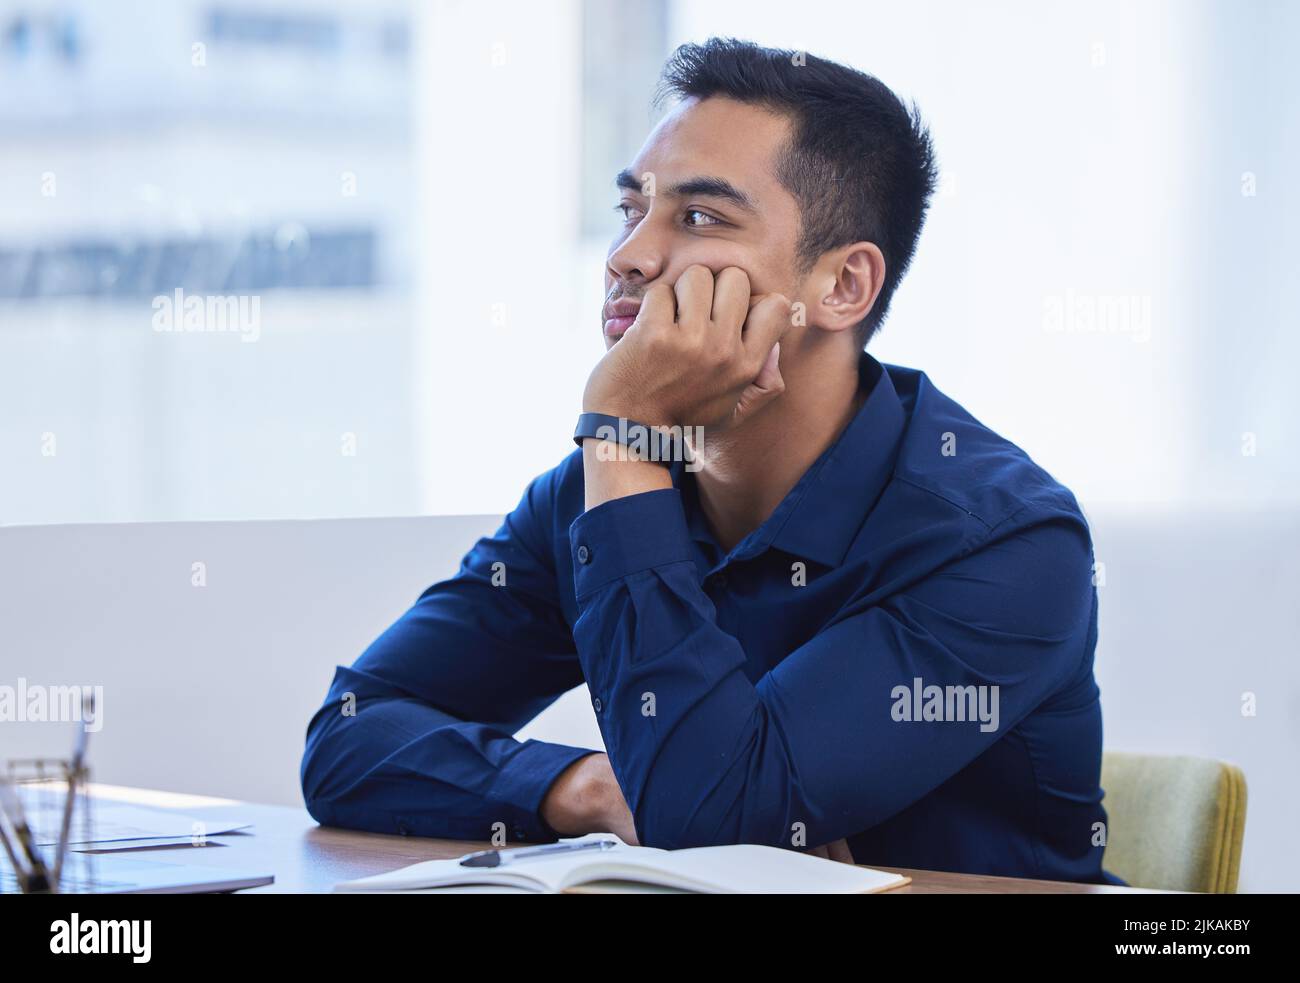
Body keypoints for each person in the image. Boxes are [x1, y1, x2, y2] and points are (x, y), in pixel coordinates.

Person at [301, 37, 1123, 884]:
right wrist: (584, 786)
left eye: (698, 218)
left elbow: (711, 821)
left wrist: (624, 429)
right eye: (632, 210)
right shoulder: (599, 493)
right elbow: (347, 738)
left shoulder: (1007, 542)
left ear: (843, 287)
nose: (627, 257)